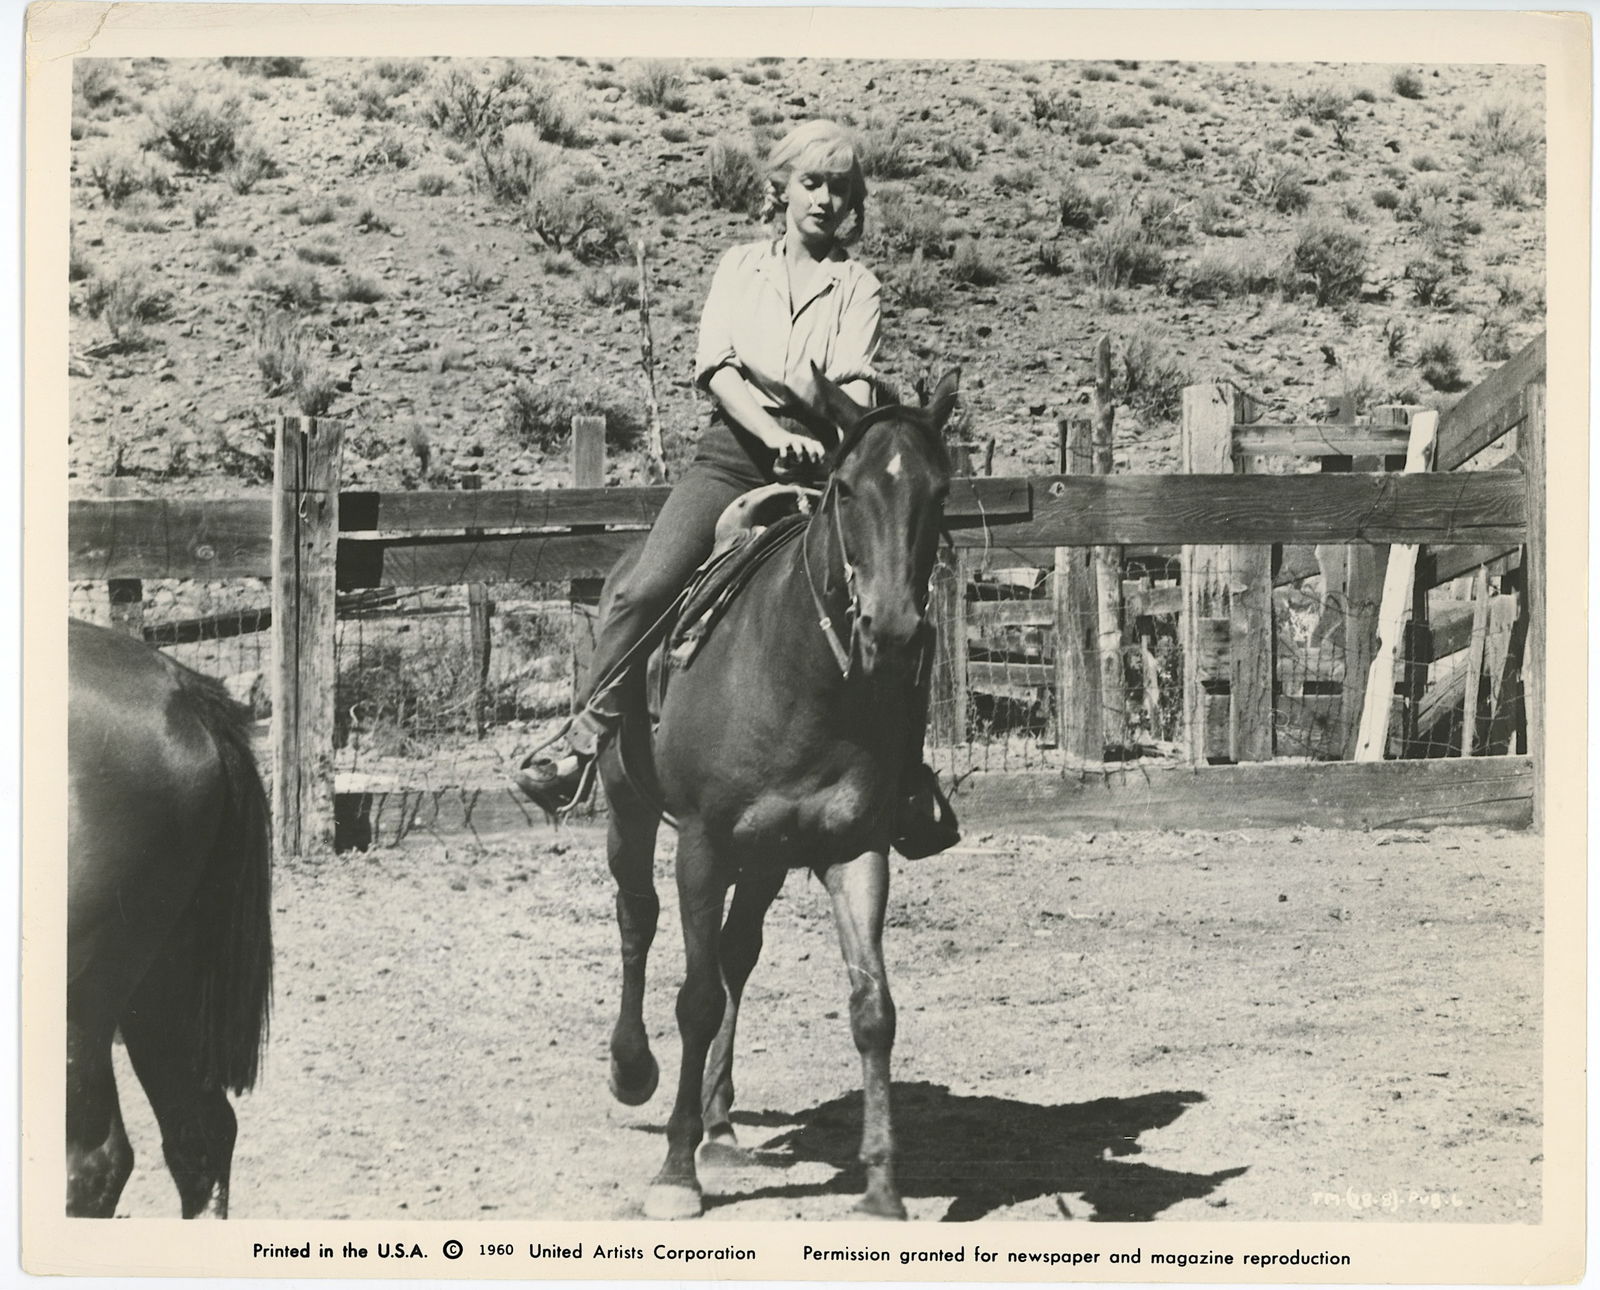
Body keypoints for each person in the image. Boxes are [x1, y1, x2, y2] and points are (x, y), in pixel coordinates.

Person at [516, 118, 957, 857]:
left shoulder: (859, 287)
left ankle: (906, 779)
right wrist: (772, 418)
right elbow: (717, 369)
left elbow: (845, 381)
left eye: (839, 188)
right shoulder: (737, 268)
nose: (823, 200)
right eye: (810, 183)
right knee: (641, 587)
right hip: (732, 457)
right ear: (779, 188)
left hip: (827, 462)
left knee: (898, 609)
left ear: (853, 201)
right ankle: (583, 737)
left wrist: (806, 416)